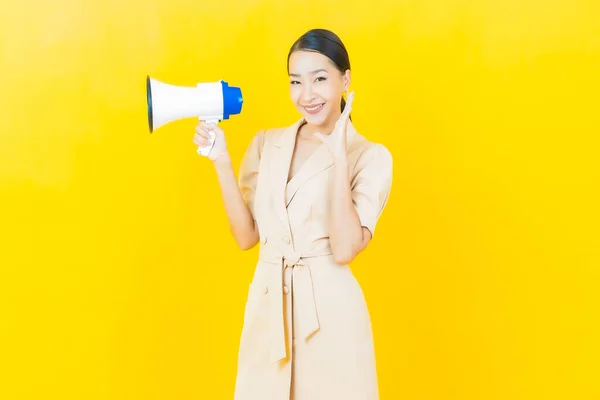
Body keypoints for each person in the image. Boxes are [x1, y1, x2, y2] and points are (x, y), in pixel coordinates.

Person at [193, 28, 393, 400]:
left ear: (345, 79)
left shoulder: (370, 156)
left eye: (320, 79)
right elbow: (246, 237)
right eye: (295, 82)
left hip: (331, 317)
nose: (307, 95)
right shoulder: (267, 143)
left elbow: (346, 248)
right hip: (268, 312)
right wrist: (220, 159)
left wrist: (338, 154)